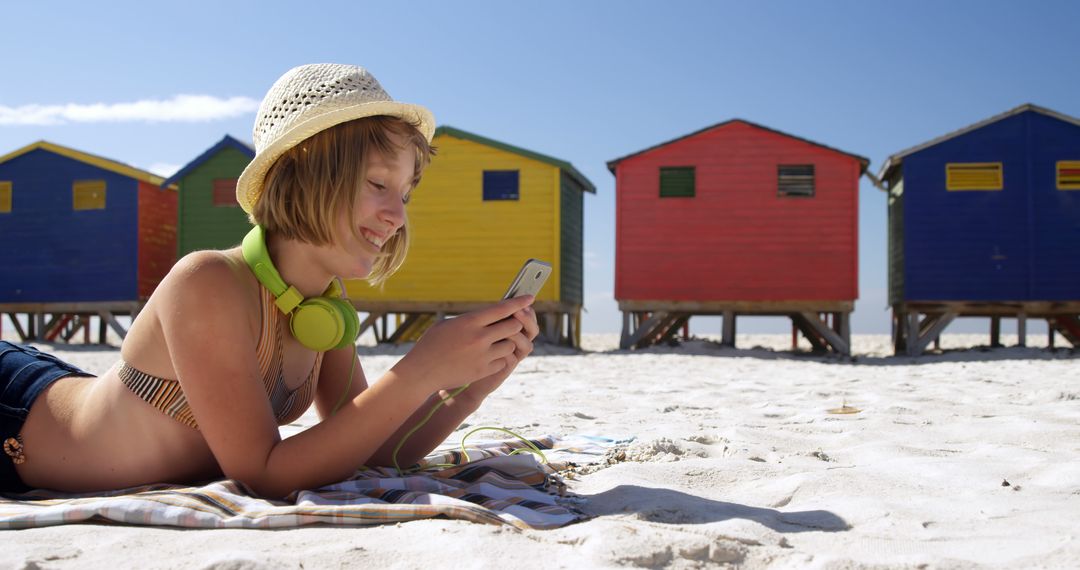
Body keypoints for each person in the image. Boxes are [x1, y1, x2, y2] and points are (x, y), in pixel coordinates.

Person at [0, 63, 538, 499]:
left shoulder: (323, 304)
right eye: (378, 182)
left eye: (405, 194)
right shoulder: (208, 282)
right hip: (17, 418)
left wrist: (466, 388)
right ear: (304, 167)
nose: (396, 214)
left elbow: (372, 449)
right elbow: (265, 473)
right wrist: (418, 369)